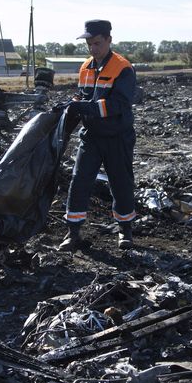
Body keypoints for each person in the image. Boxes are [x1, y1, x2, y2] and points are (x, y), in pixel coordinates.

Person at [58, 19, 137, 251]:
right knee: (79, 181)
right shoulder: (85, 67)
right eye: (90, 44)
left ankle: (125, 231)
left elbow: (117, 105)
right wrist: (70, 105)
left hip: (117, 137)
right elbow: (82, 97)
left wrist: (85, 108)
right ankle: (73, 233)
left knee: (121, 183)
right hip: (91, 136)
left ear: (109, 40)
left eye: (97, 43)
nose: (93, 48)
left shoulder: (123, 68)